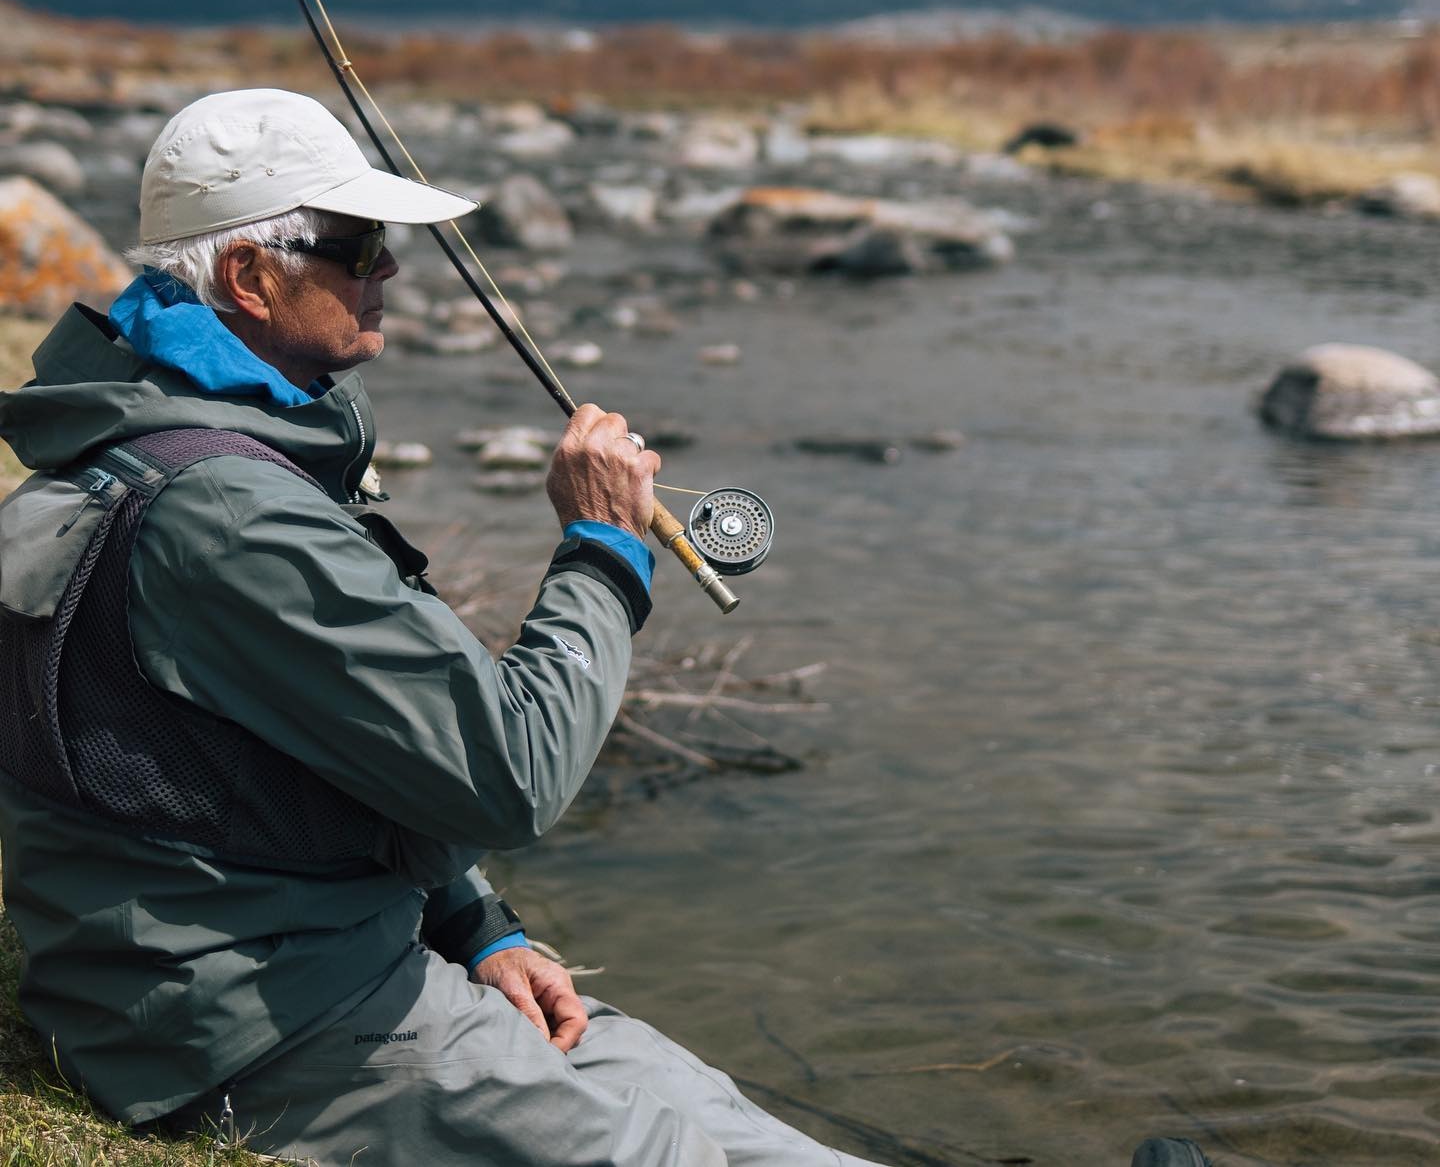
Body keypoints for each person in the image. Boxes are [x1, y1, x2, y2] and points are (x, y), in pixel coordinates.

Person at [0, 87, 1211, 1167]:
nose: (389, 271)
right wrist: (602, 549)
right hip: (238, 1023)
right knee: (657, 1145)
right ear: (255, 279)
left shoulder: (198, 454)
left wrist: (475, 923)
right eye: (357, 244)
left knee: (709, 1106)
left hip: (324, 951)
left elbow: (287, 759)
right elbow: (510, 773)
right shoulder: (227, 513)